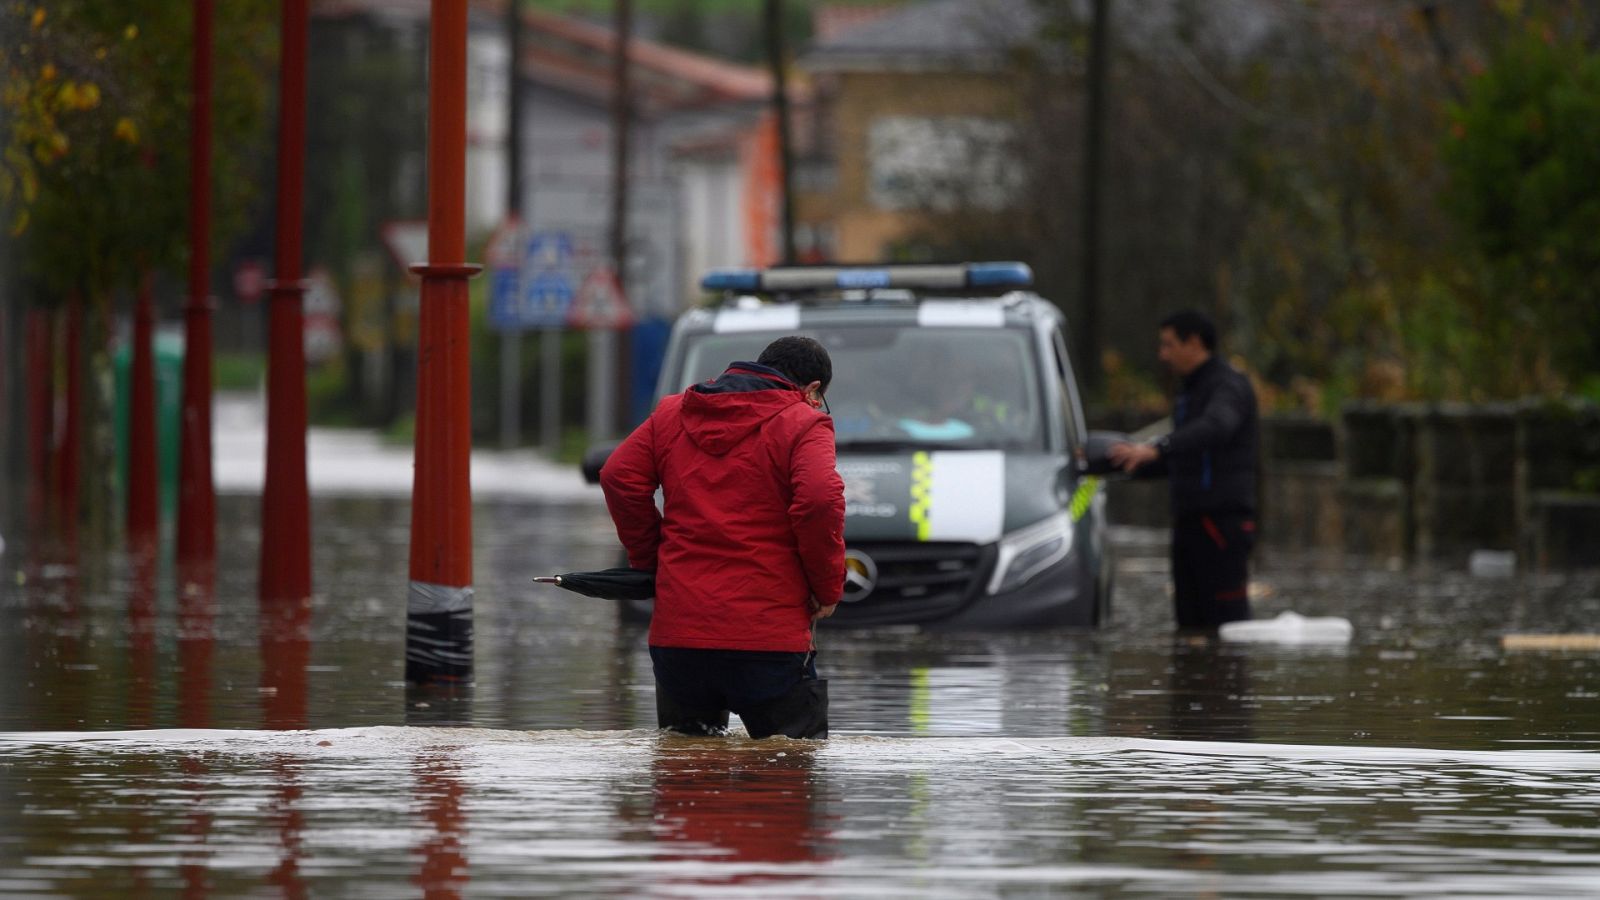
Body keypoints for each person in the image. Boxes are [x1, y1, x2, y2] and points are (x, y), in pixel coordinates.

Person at [600, 336, 845, 738]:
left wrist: (651, 560)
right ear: (812, 389)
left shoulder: (672, 413)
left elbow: (617, 477)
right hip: (769, 637)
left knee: (685, 778)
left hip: (679, 638)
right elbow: (819, 501)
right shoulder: (804, 422)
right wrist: (826, 586)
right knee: (791, 781)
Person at [1108, 310, 1260, 630]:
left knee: (1226, 626)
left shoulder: (1227, 386)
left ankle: (1228, 681)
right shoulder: (1188, 391)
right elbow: (1181, 456)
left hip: (1221, 525)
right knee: (1189, 625)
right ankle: (1191, 681)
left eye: (1168, 345)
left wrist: (1157, 446)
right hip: (1188, 523)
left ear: (1193, 343)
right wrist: (1122, 464)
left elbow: (1216, 428)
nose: (1163, 355)